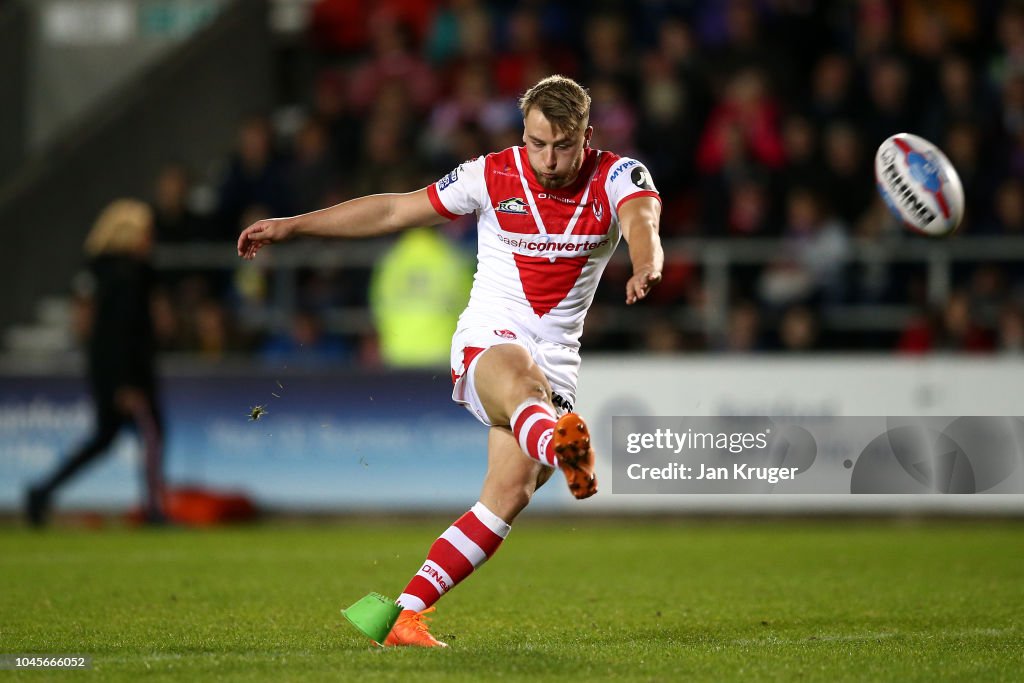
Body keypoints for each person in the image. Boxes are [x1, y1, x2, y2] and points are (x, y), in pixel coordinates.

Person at [237, 75, 664, 647]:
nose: (549, 158)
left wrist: (645, 263)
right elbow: (393, 211)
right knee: (520, 385)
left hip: (558, 357)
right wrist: (295, 225)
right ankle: (563, 447)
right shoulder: (490, 174)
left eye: (563, 146)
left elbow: (643, 223)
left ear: (587, 136)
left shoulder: (619, 175)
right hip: (492, 337)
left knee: (506, 497)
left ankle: (403, 616)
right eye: (537, 143)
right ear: (523, 133)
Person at [26, 199, 166, 526]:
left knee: (103, 440)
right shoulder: (130, 276)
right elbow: (121, 334)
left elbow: (96, 332)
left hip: (105, 371)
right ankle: (155, 510)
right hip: (127, 375)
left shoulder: (98, 272)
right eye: (147, 233)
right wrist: (126, 383)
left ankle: (42, 491)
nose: (151, 240)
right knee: (153, 436)